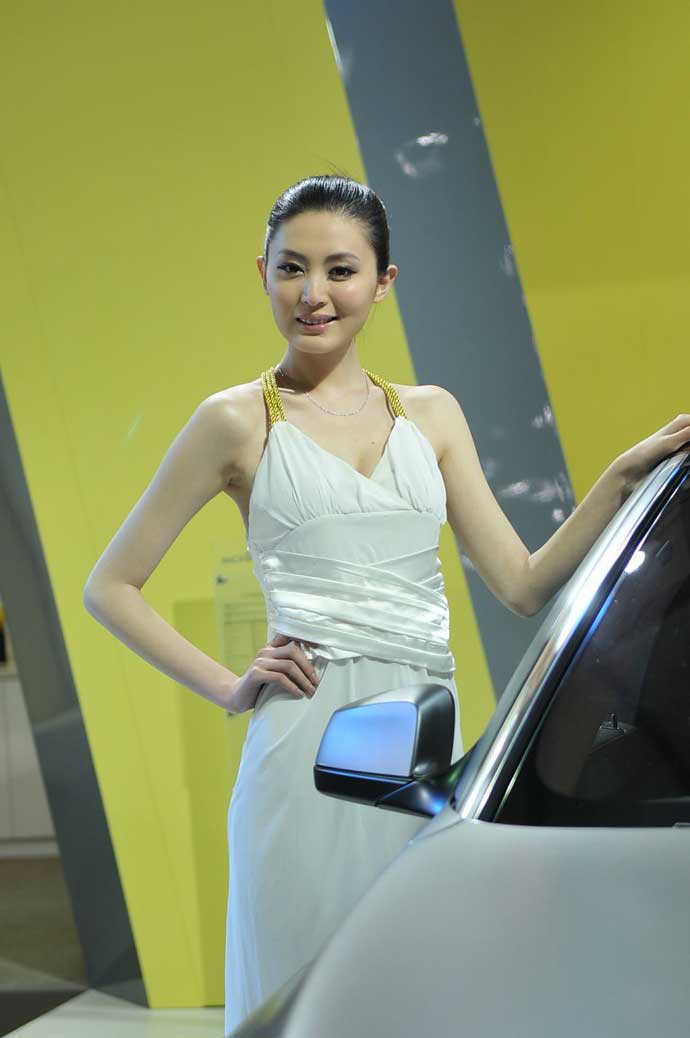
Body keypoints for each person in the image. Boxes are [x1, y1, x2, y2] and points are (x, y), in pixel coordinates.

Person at [83, 173, 690, 1036]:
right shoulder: (233, 422)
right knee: (306, 995)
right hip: (302, 757)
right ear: (262, 274)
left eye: (340, 270)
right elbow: (109, 586)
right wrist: (229, 686)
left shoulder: (433, 415)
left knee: (423, 994)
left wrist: (620, 480)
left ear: (383, 281)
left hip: (421, 753)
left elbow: (521, 584)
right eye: (292, 268)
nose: (313, 293)